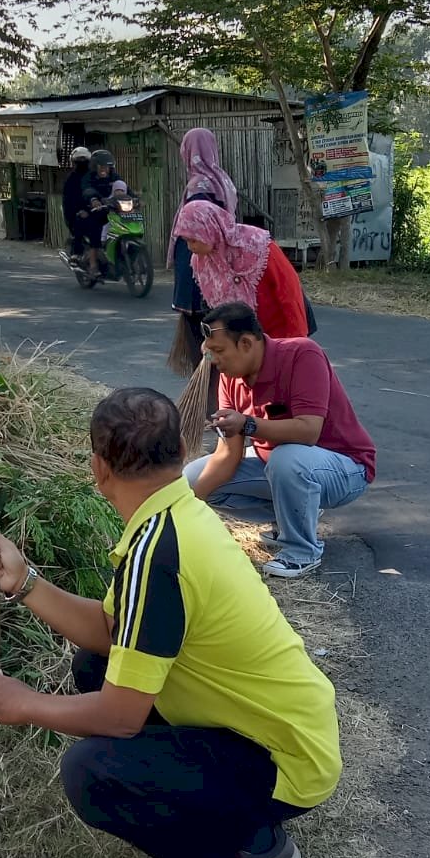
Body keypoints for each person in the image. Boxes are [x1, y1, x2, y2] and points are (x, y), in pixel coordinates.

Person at [0, 386, 342, 858]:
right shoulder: (177, 516)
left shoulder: (158, 554)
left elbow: (120, 719)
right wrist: (24, 581)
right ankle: (224, 804)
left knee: (92, 772)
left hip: (283, 758)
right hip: (283, 730)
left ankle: (257, 850)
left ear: (98, 468)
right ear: (179, 451)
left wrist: (25, 703)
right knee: (94, 666)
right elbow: (109, 629)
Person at [184, 302, 375, 580]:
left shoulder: (302, 354)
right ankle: (290, 520)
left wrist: (247, 423)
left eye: (219, 351)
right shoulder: (230, 377)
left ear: (247, 343)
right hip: (285, 466)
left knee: (286, 459)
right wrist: (188, 506)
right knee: (192, 477)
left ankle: (301, 552)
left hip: (346, 468)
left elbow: (308, 431)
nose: (214, 361)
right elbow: (228, 455)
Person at [173, 199, 309, 340]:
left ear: (209, 230)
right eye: (186, 241)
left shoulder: (257, 247)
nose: (190, 247)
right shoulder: (201, 262)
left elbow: (289, 292)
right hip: (241, 344)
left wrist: (297, 342)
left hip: (280, 336)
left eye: (193, 240)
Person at [168, 128, 238, 375]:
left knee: (199, 320)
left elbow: (198, 233)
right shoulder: (222, 180)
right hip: (219, 259)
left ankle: (208, 378)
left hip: (198, 259)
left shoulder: (199, 184)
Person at [80, 149, 119, 277]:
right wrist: (93, 199)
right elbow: (87, 190)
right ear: (95, 166)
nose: (105, 170)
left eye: (107, 167)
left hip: (110, 209)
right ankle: (93, 264)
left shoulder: (113, 176)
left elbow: (124, 188)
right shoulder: (88, 177)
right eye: (102, 167)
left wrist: (135, 198)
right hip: (92, 210)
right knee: (95, 230)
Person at [61, 145, 91, 258]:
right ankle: (76, 253)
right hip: (77, 212)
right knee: (79, 223)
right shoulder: (71, 179)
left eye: (84, 160)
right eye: (79, 161)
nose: (82, 163)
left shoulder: (94, 176)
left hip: (95, 208)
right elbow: (69, 201)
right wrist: (79, 211)